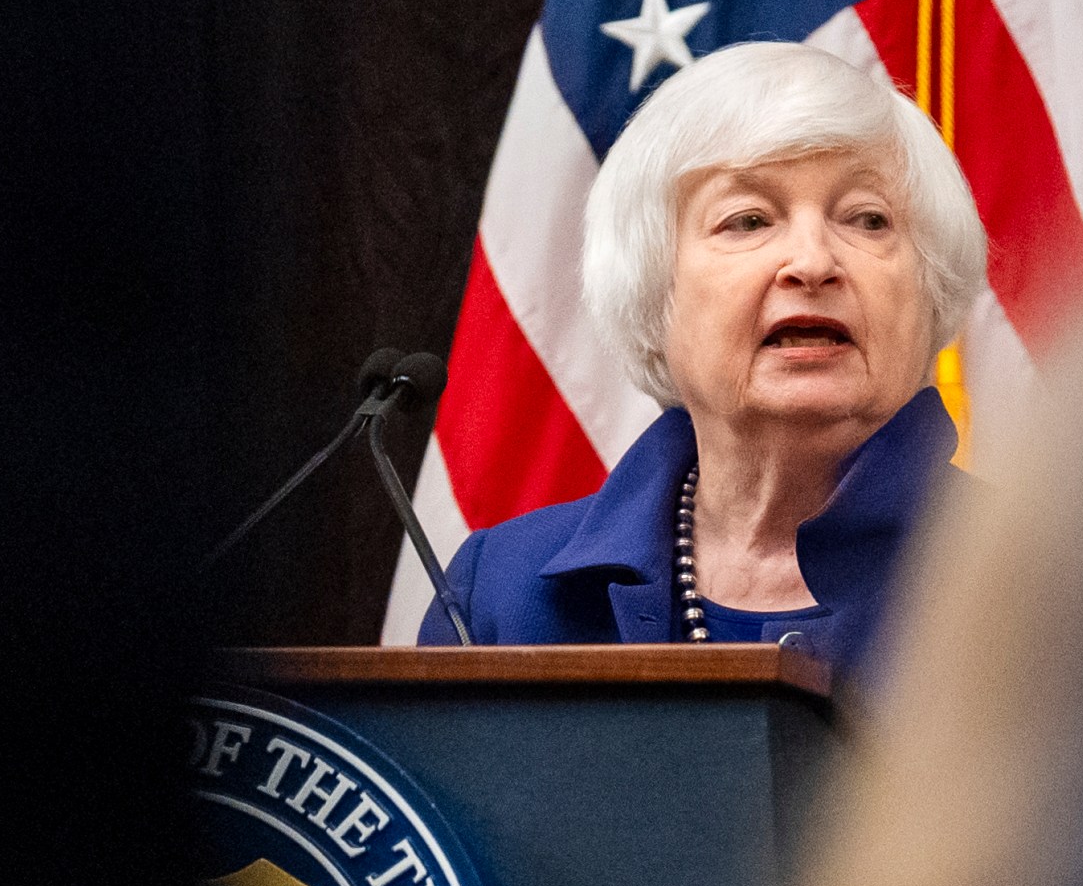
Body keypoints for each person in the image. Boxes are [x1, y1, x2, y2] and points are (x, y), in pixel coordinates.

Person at [417, 42, 986, 678]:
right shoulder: (498, 596)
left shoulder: (1062, 589)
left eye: (868, 219)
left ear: (931, 288)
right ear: (654, 292)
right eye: (747, 220)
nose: (814, 262)